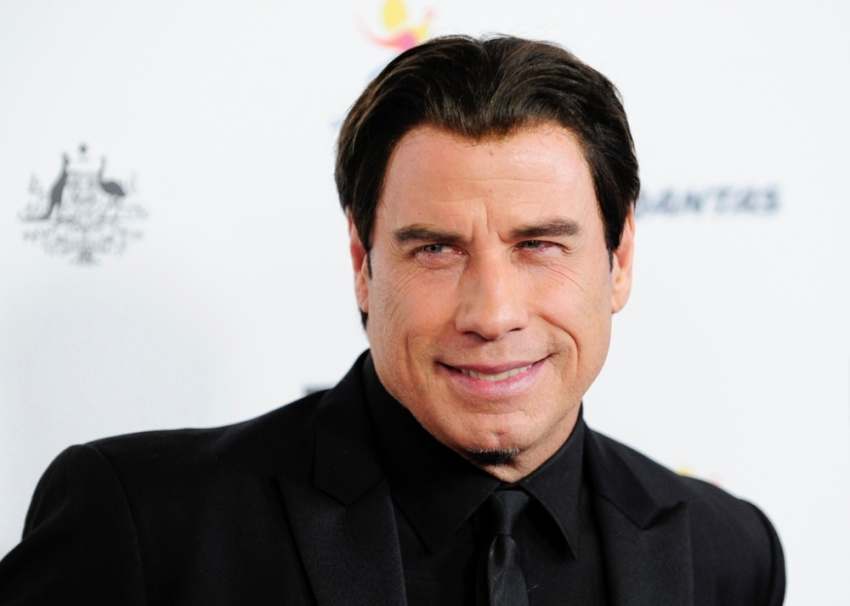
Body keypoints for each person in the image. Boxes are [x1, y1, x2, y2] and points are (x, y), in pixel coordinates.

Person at [0, 35, 784, 605]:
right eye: (437, 249)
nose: (493, 313)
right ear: (362, 262)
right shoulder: (146, 523)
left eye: (539, 245)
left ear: (619, 259)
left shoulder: (728, 551)